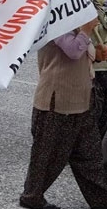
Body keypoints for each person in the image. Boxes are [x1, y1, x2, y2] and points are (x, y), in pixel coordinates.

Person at [19, 18, 107, 209]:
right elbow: (72, 50)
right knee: (46, 156)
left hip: (82, 100)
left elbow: (82, 52)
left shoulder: (76, 14)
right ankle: (32, 197)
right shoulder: (55, 16)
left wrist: (96, 55)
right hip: (57, 101)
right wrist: (86, 29)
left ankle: (102, 200)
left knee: (90, 159)